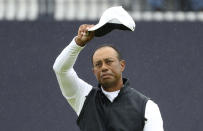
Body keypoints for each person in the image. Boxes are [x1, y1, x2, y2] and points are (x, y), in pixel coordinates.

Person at [53, 24, 164, 131]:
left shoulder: (147, 107)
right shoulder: (84, 97)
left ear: (122, 65)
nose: (104, 68)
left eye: (109, 62)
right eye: (98, 64)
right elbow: (60, 69)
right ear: (94, 71)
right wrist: (78, 43)